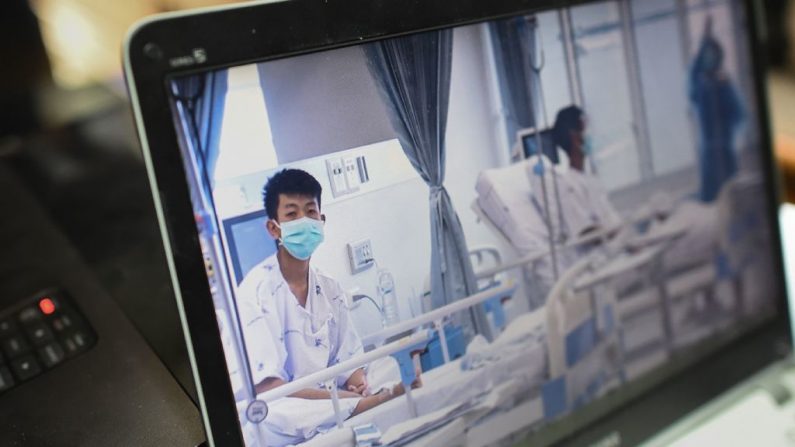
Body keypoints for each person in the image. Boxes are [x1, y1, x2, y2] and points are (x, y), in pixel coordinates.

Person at [236, 169, 416, 434]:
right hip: (292, 405)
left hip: (332, 396)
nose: (303, 220)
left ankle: (368, 401)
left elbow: (349, 357)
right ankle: (371, 403)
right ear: (274, 228)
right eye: (291, 214)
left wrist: (358, 384)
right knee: (272, 412)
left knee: (386, 365)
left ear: (322, 220)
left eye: (310, 212)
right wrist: (344, 398)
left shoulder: (329, 287)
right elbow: (268, 387)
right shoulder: (256, 291)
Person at [689, 18, 744, 202]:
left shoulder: (724, 84)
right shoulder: (701, 87)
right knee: (712, 199)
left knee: (733, 198)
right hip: (710, 152)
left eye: (712, 55)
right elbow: (694, 74)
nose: (709, 59)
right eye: (706, 56)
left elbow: (739, 115)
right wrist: (705, 37)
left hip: (726, 149)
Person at [549, 105, 621, 238]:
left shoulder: (590, 179)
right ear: (575, 137)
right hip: (603, 253)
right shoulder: (568, 185)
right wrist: (616, 233)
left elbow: (609, 218)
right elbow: (585, 232)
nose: (590, 135)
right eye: (585, 129)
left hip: (618, 244)